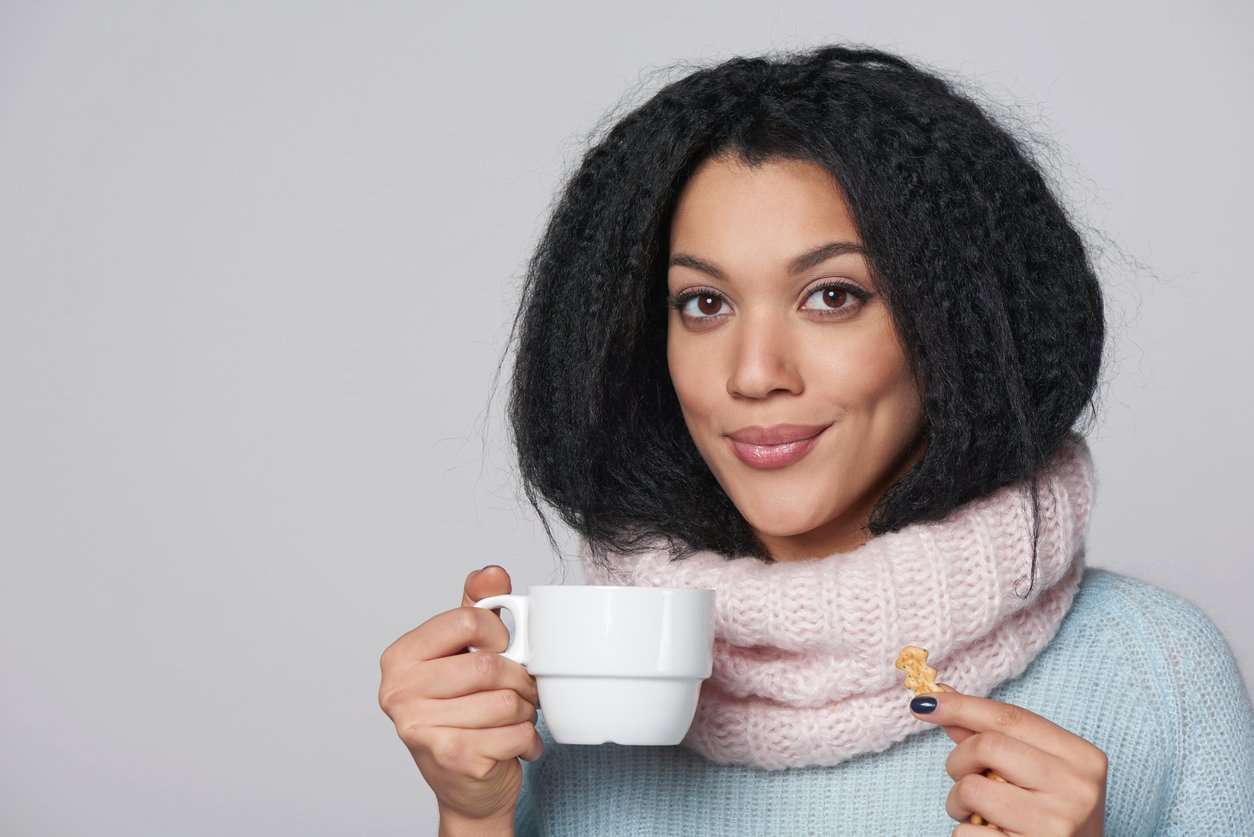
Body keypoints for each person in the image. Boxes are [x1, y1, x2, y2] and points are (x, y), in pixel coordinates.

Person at [377, 44, 1254, 835]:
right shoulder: (563, 689)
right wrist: (474, 817)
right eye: (704, 304)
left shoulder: (1153, 669)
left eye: (833, 295)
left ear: (954, 326)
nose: (755, 371)